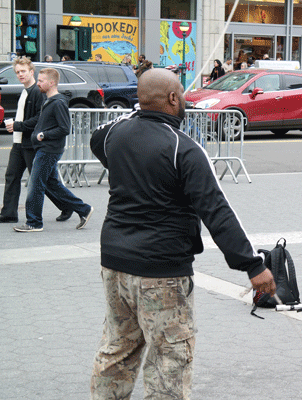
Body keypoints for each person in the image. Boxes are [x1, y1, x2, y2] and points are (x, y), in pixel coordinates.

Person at [88, 68, 275, 398]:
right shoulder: (184, 148)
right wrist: (252, 265)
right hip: (162, 273)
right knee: (168, 363)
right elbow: (217, 212)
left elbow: (96, 138)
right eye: (182, 94)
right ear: (173, 99)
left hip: (115, 264)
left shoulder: (116, 134)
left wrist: (137, 114)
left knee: (116, 351)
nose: (186, 100)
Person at [13, 68, 94, 232]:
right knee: (52, 184)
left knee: (36, 185)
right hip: (45, 148)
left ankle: (34, 222)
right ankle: (83, 209)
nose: (38, 83)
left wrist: (43, 135)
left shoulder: (58, 102)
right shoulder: (49, 100)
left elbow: (65, 128)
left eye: (41, 81)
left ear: (51, 83)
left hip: (49, 150)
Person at [0, 57, 70, 224]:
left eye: (23, 71)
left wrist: (18, 125)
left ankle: (67, 205)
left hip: (32, 144)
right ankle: (8, 213)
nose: (20, 74)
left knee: (42, 181)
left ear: (32, 72)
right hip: (19, 142)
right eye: (17, 72)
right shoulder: (25, 91)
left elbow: (39, 120)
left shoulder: (38, 93)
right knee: (12, 176)